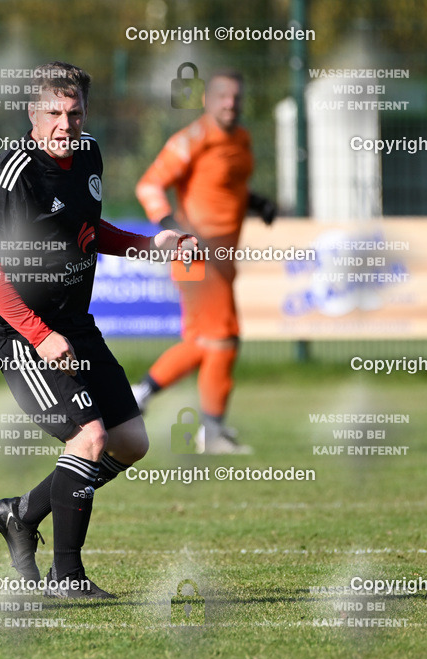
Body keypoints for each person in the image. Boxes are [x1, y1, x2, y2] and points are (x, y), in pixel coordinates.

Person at [0, 61, 195, 597]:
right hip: (20, 330)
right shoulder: (14, 175)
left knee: (129, 441)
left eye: (73, 113)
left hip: (74, 323)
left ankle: (22, 515)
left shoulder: (90, 153)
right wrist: (38, 334)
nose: (64, 124)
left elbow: (89, 229)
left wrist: (148, 246)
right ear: (33, 113)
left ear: (85, 113)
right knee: (89, 437)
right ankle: (66, 576)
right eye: (53, 113)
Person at [131, 69, 276, 454]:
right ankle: (210, 433)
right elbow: (149, 185)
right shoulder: (192, 139)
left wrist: (257, 202)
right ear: (207, 101)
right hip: (197, 255)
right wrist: (172, 228)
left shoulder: (241, 138)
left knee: (202, 342)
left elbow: (227, 186)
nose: (231, 103)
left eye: (236, 97)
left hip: (223, 258)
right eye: (222, 97)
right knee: (223, 338)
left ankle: (140, 394)